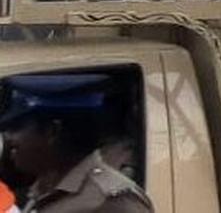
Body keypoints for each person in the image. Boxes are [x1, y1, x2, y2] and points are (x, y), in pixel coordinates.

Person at [0, 73, 152, 212]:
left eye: (17, 128)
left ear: (52, 131)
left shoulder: (112, 202)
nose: (8, 137)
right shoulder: (45, 188)